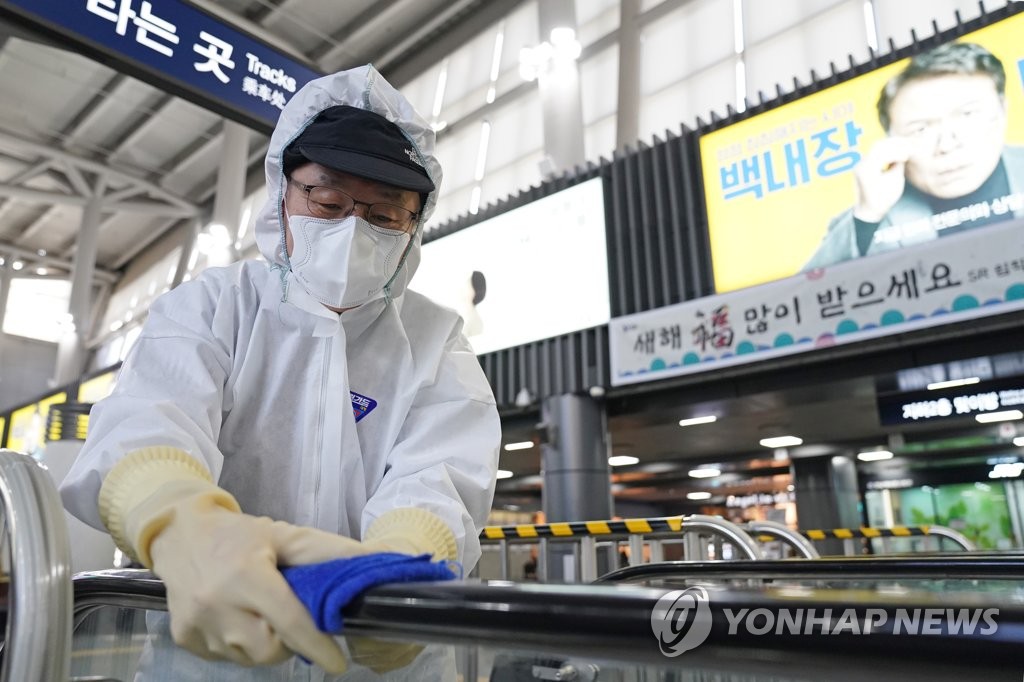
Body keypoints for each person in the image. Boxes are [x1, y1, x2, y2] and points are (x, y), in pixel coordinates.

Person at [60, 65, 501, 681]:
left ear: (414, 228)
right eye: (328, 202)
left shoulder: (435, 341)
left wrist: (398, 573)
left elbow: (441, 479)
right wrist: (182, 522)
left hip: (381, 670)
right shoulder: (215, 306)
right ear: (282, 195)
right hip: (213, 663)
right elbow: (148, 423)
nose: (353, 231)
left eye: (384, 216)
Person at [804, 41, 1024, 270]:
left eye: (967, 114)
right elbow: (806, 288)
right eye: (920, 129)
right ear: (892, 142)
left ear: (1002, 111)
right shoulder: (867, 219)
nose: (947, 145)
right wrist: (868, 215)